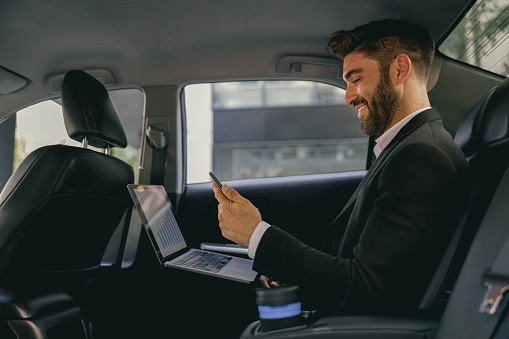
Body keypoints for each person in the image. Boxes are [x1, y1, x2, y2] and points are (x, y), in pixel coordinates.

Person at [213, 19, 468, 315]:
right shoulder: (406, 148)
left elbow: (366, 289)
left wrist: (254, 234)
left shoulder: (421, 157)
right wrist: (291, 274)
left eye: (356, 79)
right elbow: (360, 266)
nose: (348, 97)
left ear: (400, 69)